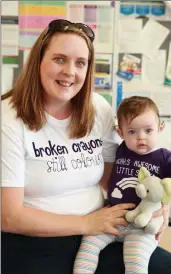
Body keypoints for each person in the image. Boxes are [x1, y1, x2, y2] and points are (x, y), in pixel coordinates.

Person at [1, 19, 170, 274]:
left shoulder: (97, 107)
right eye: (59, 59)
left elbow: (113, 176)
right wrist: (86, 223)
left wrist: (158, 208)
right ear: (38, 61)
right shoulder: (8, 118)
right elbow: (9, 216)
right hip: (34, 242)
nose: (70, 71)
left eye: (80, 63)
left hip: (100, 231)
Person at [73, 96, 171, 274]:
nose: (141, 137)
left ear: (160, 128)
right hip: (114, 217)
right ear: (121, 133)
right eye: (132, 132)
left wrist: (166, 207)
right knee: (88, 246)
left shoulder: (164, 157)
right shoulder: (121, 149)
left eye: (148, 130)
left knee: (135, 263)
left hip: (142, 224)